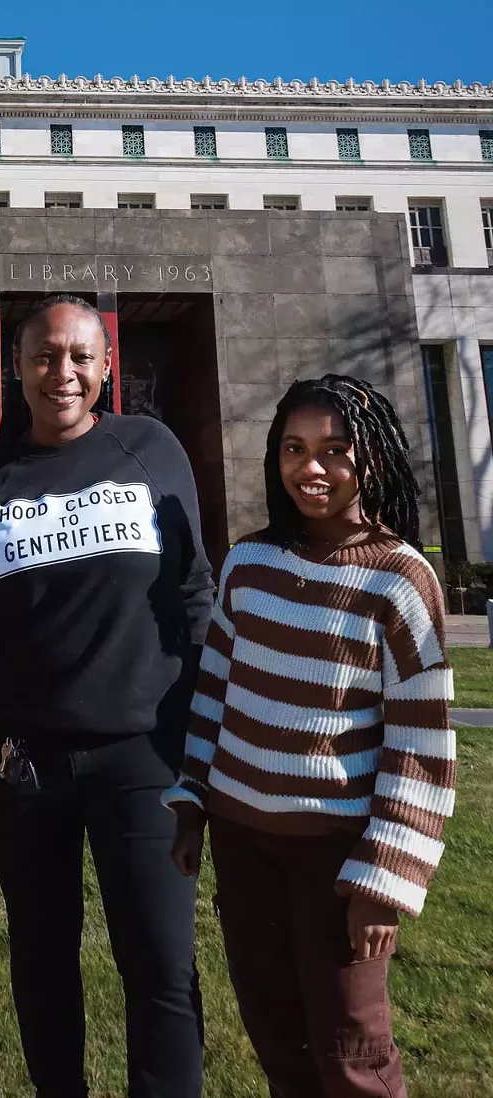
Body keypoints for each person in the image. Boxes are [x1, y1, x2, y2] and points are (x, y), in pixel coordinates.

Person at [0, 294, 213, 1098]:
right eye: (43, 355)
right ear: (17, 366)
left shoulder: (152, 448)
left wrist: (202, 741)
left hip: (146, 754)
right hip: (23, 763)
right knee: (41, 956)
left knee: (162, 964)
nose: (61, 372)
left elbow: (193, 587)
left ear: (104, 367)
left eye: (78, 357)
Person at [165, 375, 455, 1098]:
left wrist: (385, 881)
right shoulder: (249, 565)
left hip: (339, 860)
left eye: (334, 450)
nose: (312, 468)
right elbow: (215, 696)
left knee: (352, 1053)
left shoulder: (399, 581)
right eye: (294, 448)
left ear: (375, 461)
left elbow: (421, 746)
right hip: (243, 845)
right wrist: (193, 800)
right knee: (277, 1038)